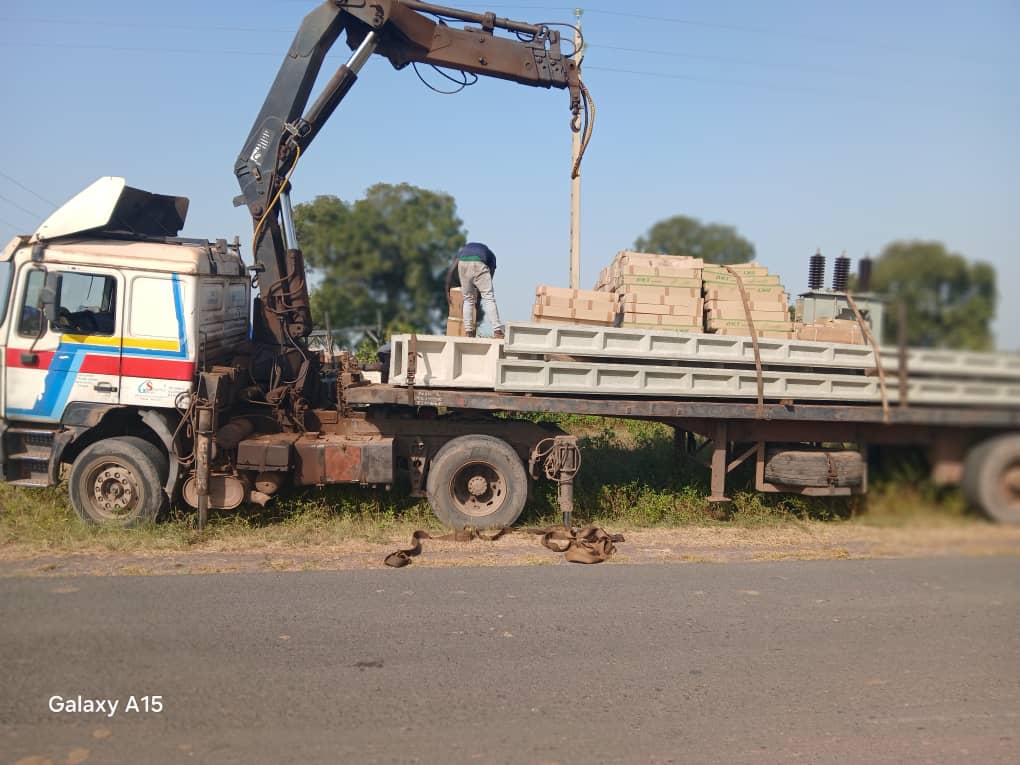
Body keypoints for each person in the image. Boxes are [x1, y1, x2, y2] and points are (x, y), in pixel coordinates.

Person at [446, 241, 504, 339]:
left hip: (462, 263)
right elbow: (491, 273)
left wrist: (447, 290)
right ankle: (497, 331)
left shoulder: (463, 251)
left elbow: (451, 270)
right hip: (479, 262)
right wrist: (483, 293)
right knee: (489, 297)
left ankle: (469, 332)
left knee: (468, 299)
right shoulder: (491, 255)